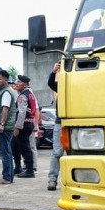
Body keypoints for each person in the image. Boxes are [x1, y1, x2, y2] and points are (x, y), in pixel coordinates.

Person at [0, 70, 16, 185]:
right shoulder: (4, 91)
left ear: (6, 79)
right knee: (7, 152)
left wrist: (1, 124)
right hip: (7, 127)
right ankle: (9, 177)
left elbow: (5, 109)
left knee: (4, 152)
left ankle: (6, 177)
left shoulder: (5, 92)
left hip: (4, 127)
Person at [13, 75, 36, 179]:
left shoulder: (23, 95)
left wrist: (17, 127)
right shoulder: (30, 94)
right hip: (28, 123)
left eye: (19, 82)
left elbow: (22, 113)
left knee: (25, 148)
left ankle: (29, 171)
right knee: (15, 146)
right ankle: (18, 167)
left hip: (23, 124)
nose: (17, 83)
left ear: (25, 84)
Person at [47, 62, 64, 191]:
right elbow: (51, 84)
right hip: (60, 121)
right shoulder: (61, 85)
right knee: (57, 152)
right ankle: (52, 179)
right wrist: (54, 72)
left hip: (77, 121)